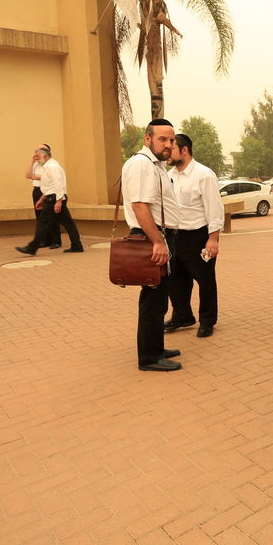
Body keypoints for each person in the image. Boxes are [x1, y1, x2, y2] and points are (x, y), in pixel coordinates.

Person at [122, 119, 183, 372]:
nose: (169, 144)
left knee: (158, 298)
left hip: (160, 237)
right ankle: (148, 357)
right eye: (162, 139)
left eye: (171, 140)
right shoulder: (141, 165)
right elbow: (140, 206)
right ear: (148, 139)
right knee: (152, 299)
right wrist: (158, 241)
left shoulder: (154, 165)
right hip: (152, 237)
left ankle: (156, 347)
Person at [165, 133, 224, 339]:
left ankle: (207, 321)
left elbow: (214, 209)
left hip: (199, 236)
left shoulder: (204, 175)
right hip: (175, 236)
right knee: (176, 280)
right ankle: (182, 316)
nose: (167, 151)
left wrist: (213, 239)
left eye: (171, 147)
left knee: (205, 280)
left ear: (184, 150)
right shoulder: (169, 174)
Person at [15, 146, 84, 255]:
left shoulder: (52, 167)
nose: (37, 159)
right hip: (53, 197)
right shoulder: (49, 166)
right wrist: (42, 199)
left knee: (42, 222)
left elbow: (58, 184)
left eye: (38, 156)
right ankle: (77, 245)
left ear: (45, 156)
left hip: (54, 198)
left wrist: (59, 201)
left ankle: (32, 248)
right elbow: (50, 186)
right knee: (68, 223)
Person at [25, 143, 61, 248]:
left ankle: (56, 240)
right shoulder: (36, 164)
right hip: (37, 191)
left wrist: (34, 176)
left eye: (41, 149)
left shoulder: (50, 164)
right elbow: (27, 175)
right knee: (40, 216)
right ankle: (45, 240)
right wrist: (32, 162)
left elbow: (46, 178)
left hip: (48, 191)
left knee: (51, 217)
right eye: (37, 149)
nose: (38, 152)